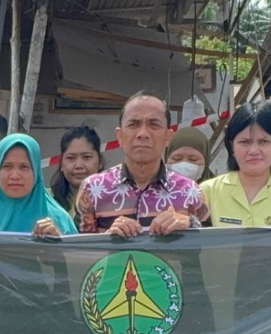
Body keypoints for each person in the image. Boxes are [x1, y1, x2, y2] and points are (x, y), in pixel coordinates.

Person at [76, 93, 206, 235]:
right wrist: (108, 241)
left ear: (168, 137)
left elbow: (213, 247)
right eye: (133, 124)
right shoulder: (92, 189)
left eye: (154, 124)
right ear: (119, 136)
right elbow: (78, 250)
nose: (143, 133)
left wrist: (190, 224)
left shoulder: (190, 191)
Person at [199, 103, 271, 228]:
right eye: (244, 142)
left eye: (264, 142)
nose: (254, 151)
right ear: (231, 146)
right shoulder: (207, 192)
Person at [49, 126, 103, 217]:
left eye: (86, 157)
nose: (79, 166)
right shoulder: (46, 200)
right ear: (61, 163)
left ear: (100, 162)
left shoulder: (114, 198)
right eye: (71, 158)